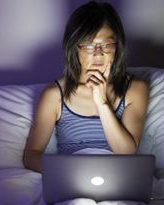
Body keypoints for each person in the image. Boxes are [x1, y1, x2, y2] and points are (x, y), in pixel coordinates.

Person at [23, 1, 149, 172]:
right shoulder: (55, 94)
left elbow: (126, 154)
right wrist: (65, 171)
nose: (98, 53)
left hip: (116, 175)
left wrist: (102, 103)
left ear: (117, 47)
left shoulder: (135, 89)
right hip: (71, 175)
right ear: (75, 48)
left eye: (106, 44)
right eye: (89, 45)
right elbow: (31, 155)